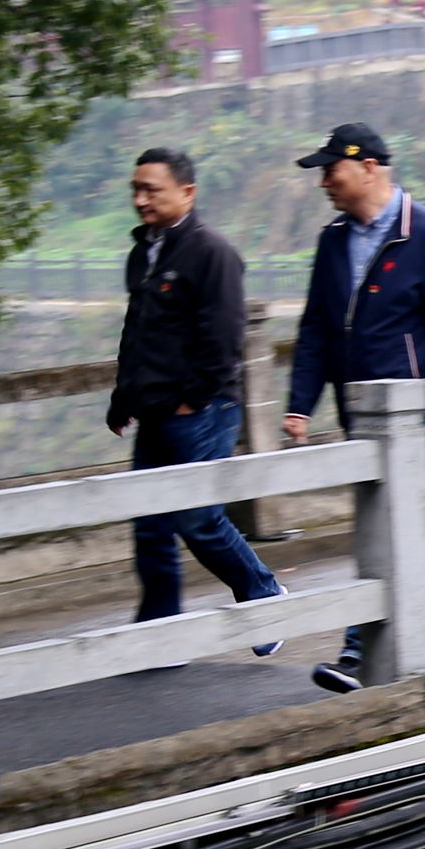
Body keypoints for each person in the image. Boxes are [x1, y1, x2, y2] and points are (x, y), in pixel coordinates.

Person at [283, 122, 425, 689]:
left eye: (332, 169)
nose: (324, 181)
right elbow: (317, 330)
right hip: (359, 413)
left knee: (392, 527)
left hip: (413, 411)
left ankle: (358, 651)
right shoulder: (333, 240)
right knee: (401, 529)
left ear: (369, 167)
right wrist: (301, 403)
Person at [104, 147, 286, 647]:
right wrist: (123, 396)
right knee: (150, 526)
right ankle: (162, 632)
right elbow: (135, 331)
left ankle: (263, 595)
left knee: (198, 519)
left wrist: (192, 400)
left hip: (202, 410)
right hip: (153, 411)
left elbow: (224, 341)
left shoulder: (212, 253)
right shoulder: (143, 252)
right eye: (135, 191)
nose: (141, 200)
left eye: (152, 190)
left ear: (187, 192)